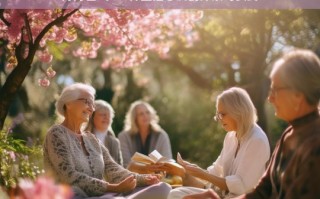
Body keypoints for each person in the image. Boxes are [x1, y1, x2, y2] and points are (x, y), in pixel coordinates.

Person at [183, 49, 320, 199]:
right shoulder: (289, 135)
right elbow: (261, 192)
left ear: (298, 96)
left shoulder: (314, 145)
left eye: (275, 90)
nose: (270, 98)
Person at [43, 83, 171, 199]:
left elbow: (113, 169)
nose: (91, 109)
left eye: (92, 104)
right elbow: (69, 176)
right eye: (86, 101)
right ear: (68, 104)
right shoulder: (56, 134)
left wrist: (145, 179)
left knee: (163, 188)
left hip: (105, 195)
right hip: (76, 196)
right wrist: (113, 188)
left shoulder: (91, 139)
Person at [168, 87, 270, 199]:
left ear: (238, 111)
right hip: (222, 195)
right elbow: (217, 169)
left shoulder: (257, 140)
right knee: (175, 194)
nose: (219, 119)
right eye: (218, 114)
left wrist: (204, 175)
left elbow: (242, 187)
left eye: (223, 114)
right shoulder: (231, 136)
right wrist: (194, 171)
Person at [118, 100, 173, 174]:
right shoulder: (124, 136)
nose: (145, 116)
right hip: (132, 180)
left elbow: (168, 161)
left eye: (147, 112)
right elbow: (125, 164)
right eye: (141, 114)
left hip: (158, 179)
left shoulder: (162, 135)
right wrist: (145, 169)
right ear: (134, 118)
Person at [85, 100, 123, 165]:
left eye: (109, 115)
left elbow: (120, 167)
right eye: (102, 114)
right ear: (92, 117)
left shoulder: (115, 142)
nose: (106, 117)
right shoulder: (83, 138)